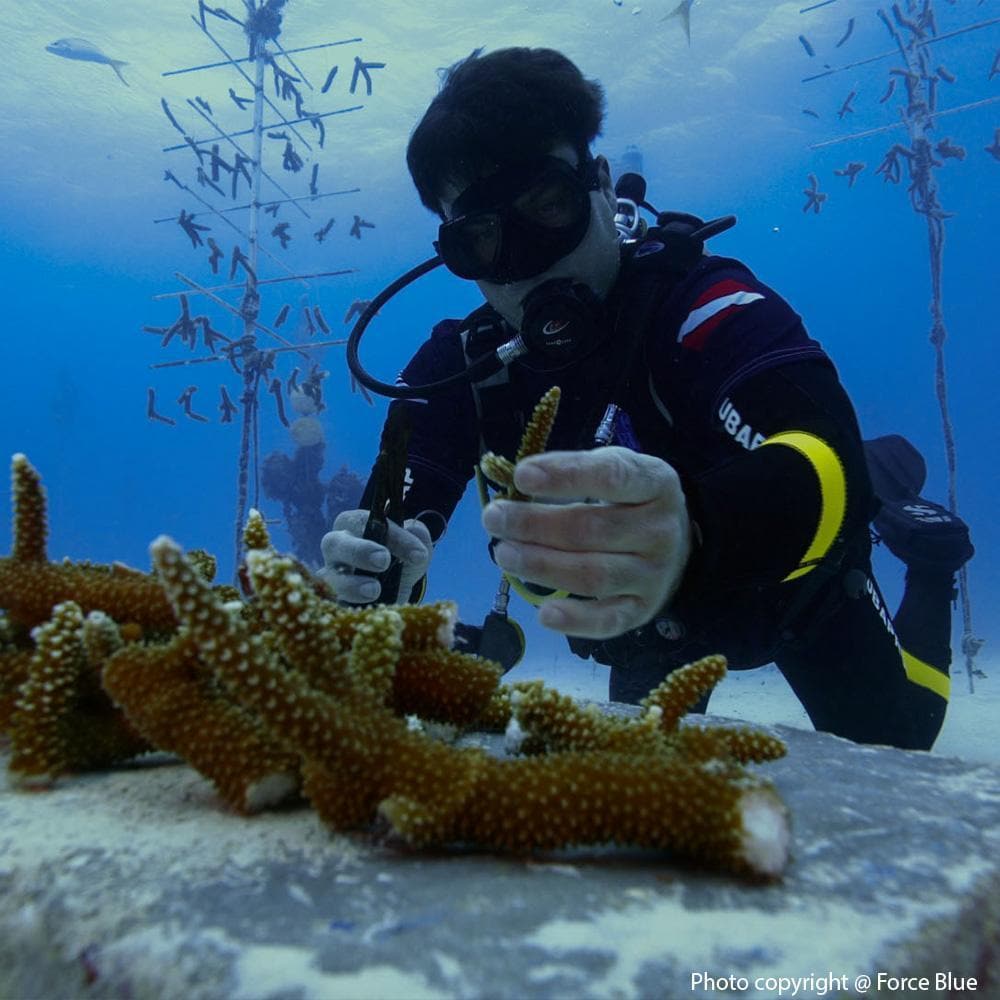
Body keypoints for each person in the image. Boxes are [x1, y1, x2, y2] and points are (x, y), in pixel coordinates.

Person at [321, 47, 973, 751]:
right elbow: (401, 515)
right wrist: (388, 574)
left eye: (548, 206)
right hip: (640, 625)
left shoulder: (704, 306)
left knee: (903, 736)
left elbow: (823, 443)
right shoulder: (463, 367)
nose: (529, 263)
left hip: (791, 591)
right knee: (640, 760)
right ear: (453, 252)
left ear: (598, 184)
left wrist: (694, 528)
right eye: (482, 240)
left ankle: (931, 566)